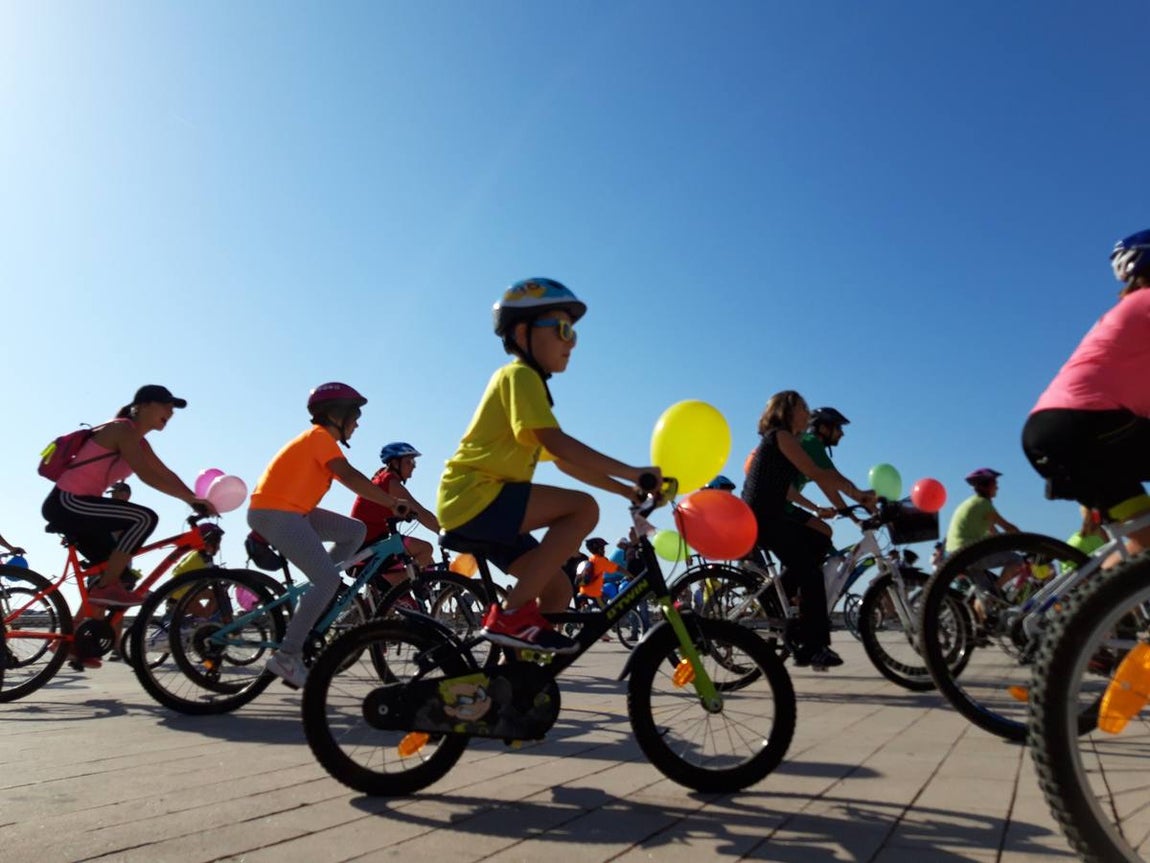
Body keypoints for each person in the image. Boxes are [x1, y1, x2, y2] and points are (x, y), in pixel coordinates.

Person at [436, 278, 661, 654]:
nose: (571, 342)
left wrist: (627, 490)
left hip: (491, 507)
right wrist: (636, 472)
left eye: (573, 333)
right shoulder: (518, 375)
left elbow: (564, 463)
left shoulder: (530, 389)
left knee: (557, 588)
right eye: (563, 329)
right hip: (473, 497)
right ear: (522, 332)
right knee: (584, 508)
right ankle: (511, 616)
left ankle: (514, 681)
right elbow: (558, 442)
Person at [248, 383, 410, 689]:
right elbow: (349, 476)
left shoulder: (320, 441)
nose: (358, 423)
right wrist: (391, 502)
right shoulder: (320, 438)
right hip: (276, 512)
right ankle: (287, 656)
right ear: (338, 415)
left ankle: (319, 589)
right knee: (328, 580)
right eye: (355, 416)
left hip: (296, 512)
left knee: (355, 530)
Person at [1023, 228, 1150, 556]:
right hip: (1082, 428)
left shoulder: (1128, 310)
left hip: (1057, 429)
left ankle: (1084, 608)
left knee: (1142, 544)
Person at [41, 385, 216, 607]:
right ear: (142, 406)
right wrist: (189, 500)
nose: (170, 412)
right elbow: (146, 475)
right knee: (144, 518)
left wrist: (195, 498)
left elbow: (165, 473)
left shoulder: (139, 442)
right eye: (165, 405)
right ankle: (104, 588)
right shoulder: (121, 430)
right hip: (67, 502)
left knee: (120, 577)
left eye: (173, 409)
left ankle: (80, 635)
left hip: (81, 505)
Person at [742, 390, 877, 670]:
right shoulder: (781, 436)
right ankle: (813, 646)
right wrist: (859, 494)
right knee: (811, 572)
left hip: (771, 515)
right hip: (763, 517)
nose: (808, 411)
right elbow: (820, 474)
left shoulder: (785, 439)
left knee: (818, 540)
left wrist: (852, 498)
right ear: (787, 410)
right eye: (803, 407)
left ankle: (786, 612)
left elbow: (821, 479)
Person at [349, 442, 441, 587]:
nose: (414, 465)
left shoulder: (382, 478)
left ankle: (391, 593)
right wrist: (444, 532)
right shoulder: (390, 483)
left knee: (428, 562)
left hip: (370, 544)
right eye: (409, 461)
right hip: (368, 546)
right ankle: (396, 586)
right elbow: (421, 512)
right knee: (425, 549)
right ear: (395, 463)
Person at [785, 407, 853, 538]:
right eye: (838, 428)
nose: (841, 434)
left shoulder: (809, 442)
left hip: (784, 506)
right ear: (823, 428)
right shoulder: (811, 442)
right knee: (823, 532)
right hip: (779, 507)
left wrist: (854, 518)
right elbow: (836, 481)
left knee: (823, 533)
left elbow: (828, 488)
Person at [944, 468, 1020, 555]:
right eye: (995, 484)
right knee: (1016, 559)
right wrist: (1025, 544)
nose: (997, 487)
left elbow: (994, 534)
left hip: (951, 554)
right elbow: (1008, 528)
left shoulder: (973, 503)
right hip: (966, 551)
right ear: (985, 487)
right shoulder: (984, 504)